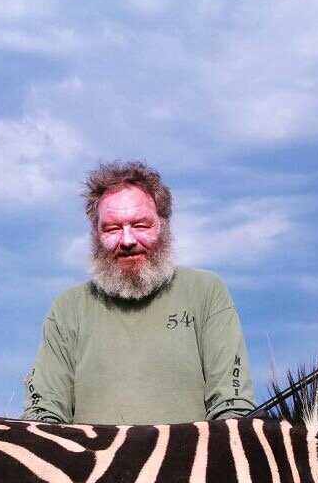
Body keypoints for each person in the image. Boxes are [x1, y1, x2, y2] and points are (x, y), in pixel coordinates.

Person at [20, 160, 254, 424]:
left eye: (141, 225)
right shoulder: (68, 307)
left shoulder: (206, 291)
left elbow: (233, 406)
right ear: (95, 234)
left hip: (189, 463)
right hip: (90, 465)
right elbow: (43, 412)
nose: (128, 241)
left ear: (163, 225)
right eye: (112, 228)